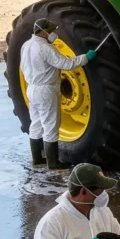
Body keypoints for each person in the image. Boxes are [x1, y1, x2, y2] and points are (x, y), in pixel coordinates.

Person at [21, 18, 96, 169]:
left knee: (35, 123)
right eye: (50, 31)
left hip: (31, 88)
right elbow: (66, 64)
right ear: (42, 32)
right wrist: (86, 58)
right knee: (50, 125)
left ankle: (37, 159)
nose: (53, 33)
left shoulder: (26, 45)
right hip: (46, 90)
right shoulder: (45, 48)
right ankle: (53, 163)